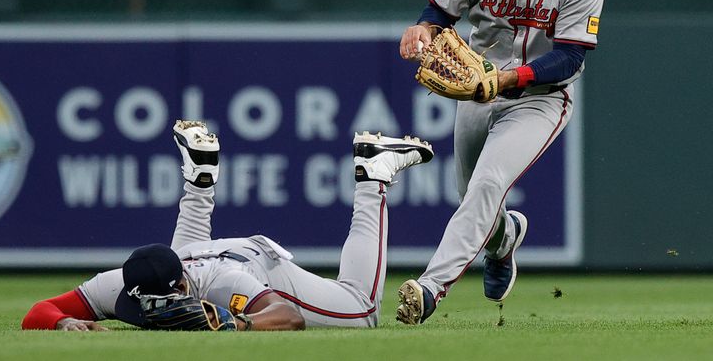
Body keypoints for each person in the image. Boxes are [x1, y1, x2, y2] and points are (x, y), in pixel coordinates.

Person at [395, 0, 604, 325]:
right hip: (477, 89)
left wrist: (509, 80)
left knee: (489, 183)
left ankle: (429, 288)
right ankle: (505, 238)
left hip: (542, 97)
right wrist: (422, 29)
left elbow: (570, 58)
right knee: (471, 195)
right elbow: (437, 12)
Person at [22, 120, 434, 331]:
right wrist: (63, 321)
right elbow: (37, 311)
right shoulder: (119, 284)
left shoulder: (226, 285)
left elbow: (286, 315)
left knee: (362, 308)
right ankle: (199, 179)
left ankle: (373, 174)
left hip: (255, 263)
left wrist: (239, 324)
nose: (147, 314)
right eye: (140, 305)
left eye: (157, 306)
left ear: (181, 290)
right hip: (192, 257)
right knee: (179, 254)